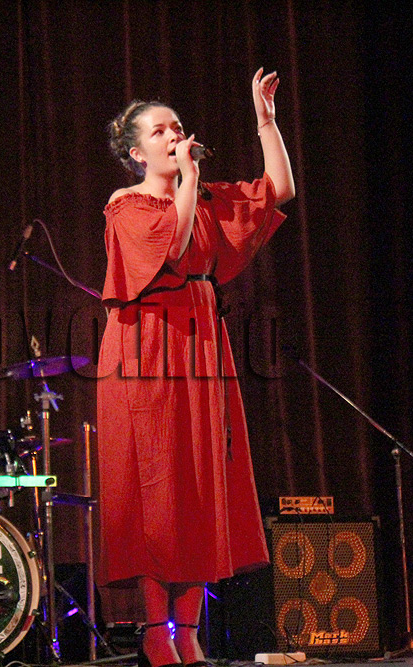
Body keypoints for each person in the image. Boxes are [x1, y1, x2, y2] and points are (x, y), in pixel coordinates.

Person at [97, 67, 295, 667]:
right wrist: (188, 180)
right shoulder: (126, 204)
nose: (174, 136)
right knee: (155, 485)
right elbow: (175, 245)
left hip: (201, 340)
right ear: (137, 153)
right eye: (160, 131)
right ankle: (154, 630)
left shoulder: (200, 194)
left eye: (176, 127)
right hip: (146, 348)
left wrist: (265, 121)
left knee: (200, 482)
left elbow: (279, 189)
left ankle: (187, 629)